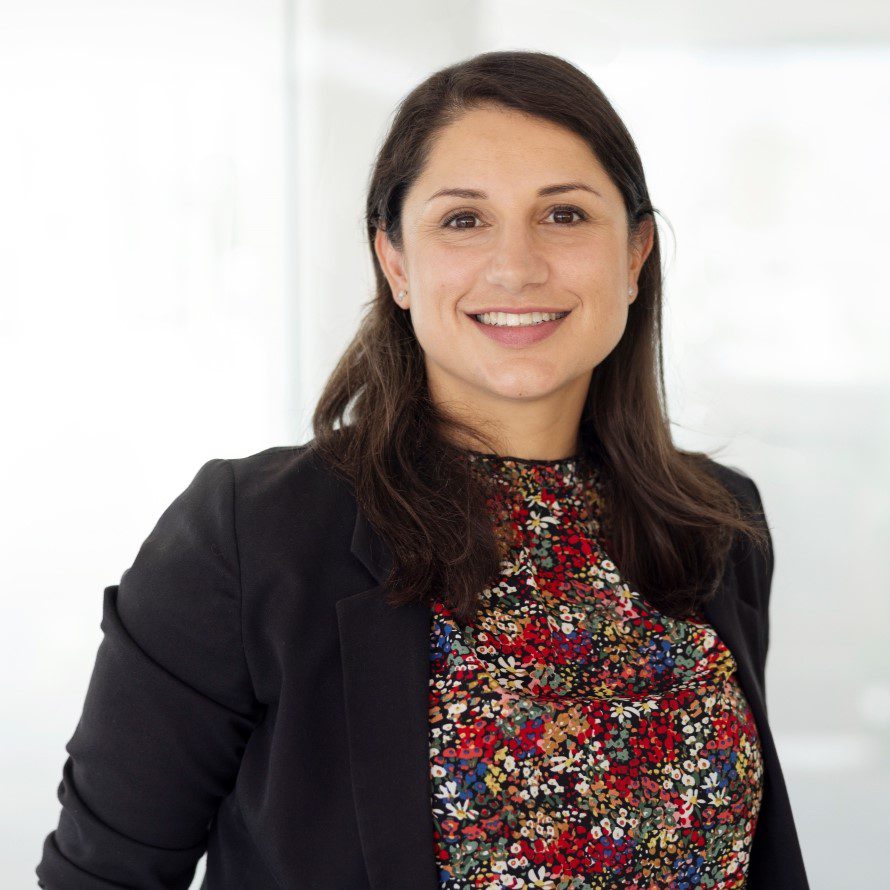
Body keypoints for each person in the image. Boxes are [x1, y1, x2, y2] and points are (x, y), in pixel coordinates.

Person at [36, 50, 809, 889]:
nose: (516, 267)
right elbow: (98, 878)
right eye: (464, 221)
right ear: (396, 263)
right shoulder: (250, 538)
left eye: (565, 215)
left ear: (635, 254)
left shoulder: (715, 520)